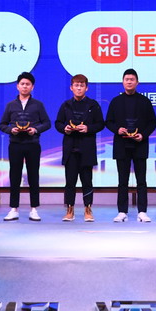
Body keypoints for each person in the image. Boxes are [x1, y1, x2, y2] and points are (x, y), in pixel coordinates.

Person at [104, 68, 156, 223]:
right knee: (122, 180)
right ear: (122, 82)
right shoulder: (116, 101)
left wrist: (143, 135)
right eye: (126, 79)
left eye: (132, 79)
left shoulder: (145, 101)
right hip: (122, 145)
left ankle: (142, 211)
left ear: (137, 82)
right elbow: (109, 122)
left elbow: (152, 122)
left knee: (141, 180)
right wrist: (117, 129)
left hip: (140, 144)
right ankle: (122, 212)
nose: (129, 82)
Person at [0, 71, 51, 222]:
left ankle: (34, 209)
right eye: (22, 84)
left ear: (32, 87)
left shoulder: (38, 105)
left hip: (32, 144)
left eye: (28, 84)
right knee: (14, 176)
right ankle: (13, 209)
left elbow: (47, 123)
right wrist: (10, 130)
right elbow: (2, 124)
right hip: (15, 144)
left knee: (33, 176)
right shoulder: (11, 105)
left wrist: (36, 129)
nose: (25, 86)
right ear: (17, 86)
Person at [54, 74, 105, 222]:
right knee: (70, 182)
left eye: (82, 85)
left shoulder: (93, 105)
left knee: (87, 181)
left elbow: (100, 124)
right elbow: (58, 123)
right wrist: (65, 128)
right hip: (70, 149)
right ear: (71, 87)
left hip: (86, 148)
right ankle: (69, 209)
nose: (79, 88)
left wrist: (88, 128)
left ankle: (88, 209)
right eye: (76, 85)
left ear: (86, 88)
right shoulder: (66, 105)